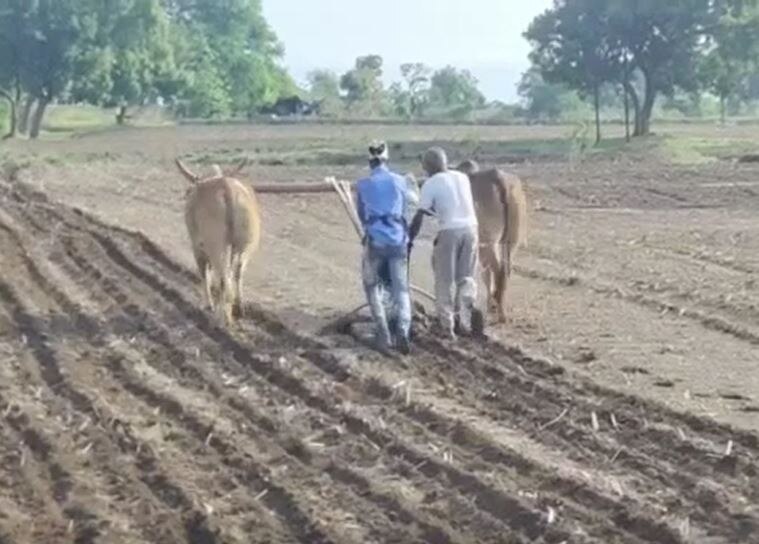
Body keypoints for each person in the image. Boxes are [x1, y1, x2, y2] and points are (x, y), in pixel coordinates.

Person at [409, 147, 481, 339]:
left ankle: (447, 326)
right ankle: (466, 314)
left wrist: (409, 238)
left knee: (444, 280)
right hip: (472, 229)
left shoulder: (430, 184)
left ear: (427, 167)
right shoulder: (461, 177)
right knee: (466, 277)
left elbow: (420, 215)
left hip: (449, 231)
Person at [355, 141, 416, 354]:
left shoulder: (363, 184)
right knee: (401, 289)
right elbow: (409, 207)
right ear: (386, 159)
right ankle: (403, 330)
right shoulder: (400, 181)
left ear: (369, 161)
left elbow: (362, 215)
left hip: (376, 241)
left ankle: (382, 332)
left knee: (372, 286)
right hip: (398, 240)